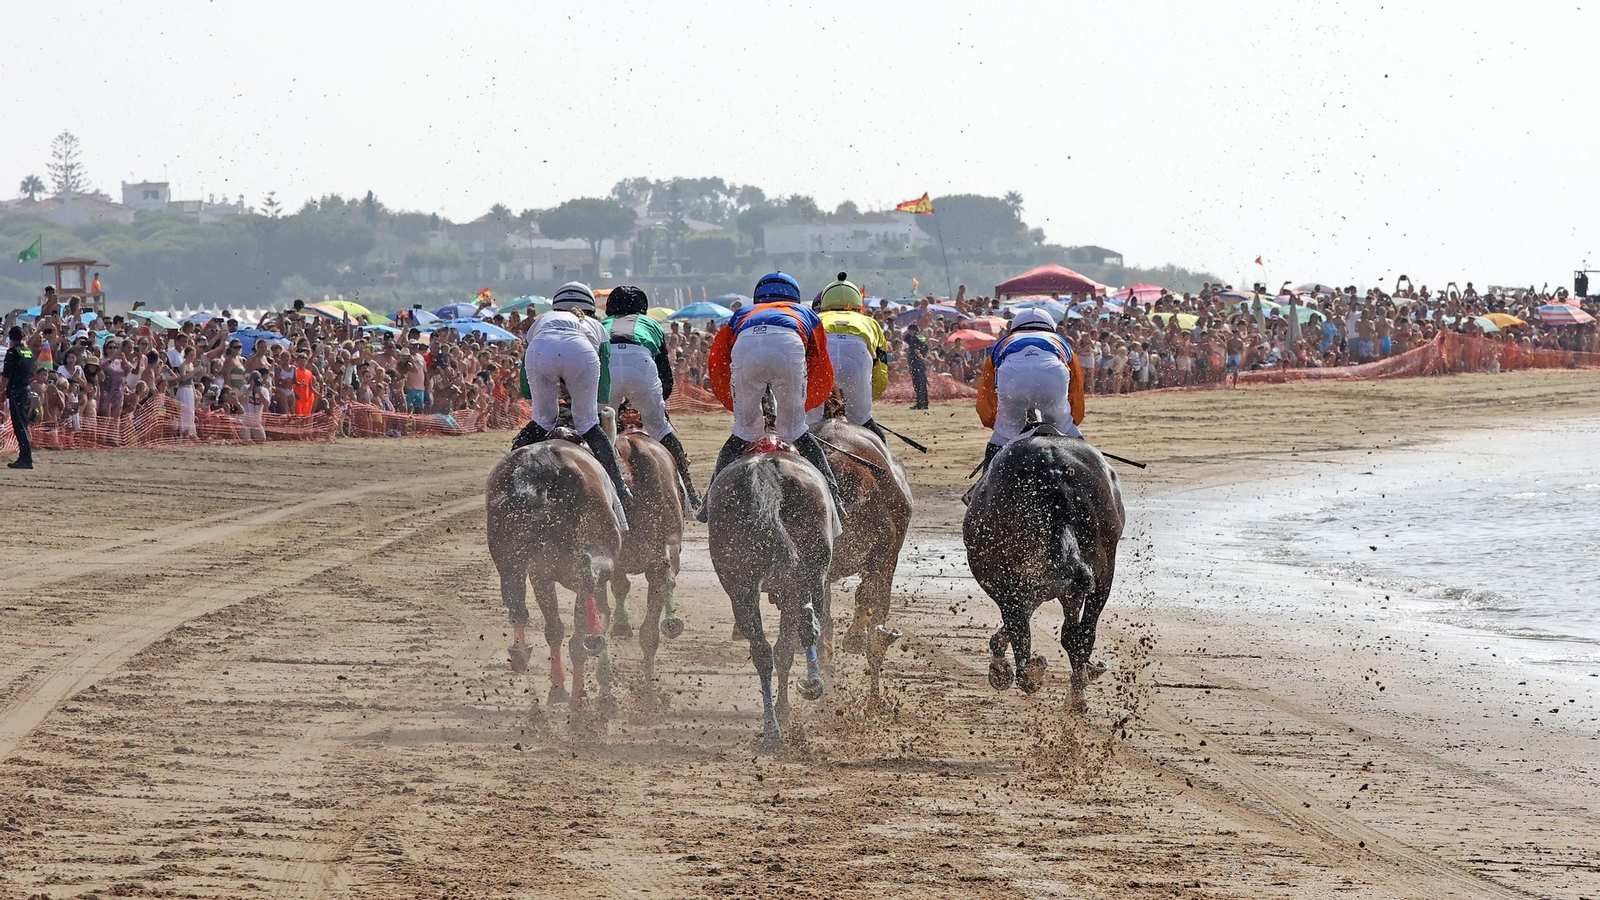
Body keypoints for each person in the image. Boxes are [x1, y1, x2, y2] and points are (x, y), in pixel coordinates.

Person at [703, 271, 844, 523]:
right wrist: (808, 400)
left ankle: (709, 500)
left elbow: (720, 357)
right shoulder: (806, 313)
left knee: (744, 430)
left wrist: (734, 397)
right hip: (789, 346)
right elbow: (818, 361)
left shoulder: (742, 313)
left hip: (745, 348)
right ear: (794, 296)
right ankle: (835, 497)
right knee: (794, 429)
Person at [512, 281, 634, 509]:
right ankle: (620, 488)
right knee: (588, 423)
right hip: (580, 351)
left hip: (541, 349)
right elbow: (604, 379)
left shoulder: (541, 321)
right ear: (589, 308)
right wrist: (595, 408)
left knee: (541, 421)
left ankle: (512, 473)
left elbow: (526, 380)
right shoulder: (596, 325)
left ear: (556, 306)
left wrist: (538, 407)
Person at [602, 284, 701, 510]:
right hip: (641, 365)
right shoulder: (652, 324)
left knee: (596, 432)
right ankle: (690, 492)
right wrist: (654, 406)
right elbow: (665, 375)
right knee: (662, 430)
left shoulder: (602, 324)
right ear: (642, 308)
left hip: (607, 367)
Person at [974, 308, 1086, 474]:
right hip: (1053, 375)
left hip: (1012, 377)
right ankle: (1088, 478)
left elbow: (986, 394)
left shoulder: (1003, 343)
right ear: (1050, 327)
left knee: (1004, 434)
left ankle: (983, 486)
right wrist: (1070, 422)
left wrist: (997, 424)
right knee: (1067, 429)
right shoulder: (1060, 341)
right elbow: (1076, 390)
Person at [808, 272, 890, 439]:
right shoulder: (871, 322)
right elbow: (880, 371)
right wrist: (866, 400)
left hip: (823, 365)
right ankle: (884, 461)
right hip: (857, 362)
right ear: (857, 303)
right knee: (864, 421)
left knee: (807, 425)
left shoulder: (814, 318)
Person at [3, 326, 35, 469]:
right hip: (25, 389)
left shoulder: (12, 353)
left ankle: (25, 458)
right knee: (23, 424)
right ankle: (25, 456)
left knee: (20, 426)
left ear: (11, 338)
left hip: (16, 391)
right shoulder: (28, 352)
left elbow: (6, 377)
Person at [904, 322, 930, 409]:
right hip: (917, 364)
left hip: (917, 364)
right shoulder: (917, 340)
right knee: (920, 384)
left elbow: (916, 351)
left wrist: (921, 358)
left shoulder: (912, 340)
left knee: (919, 384)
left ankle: (921, 403)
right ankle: (924, 403)